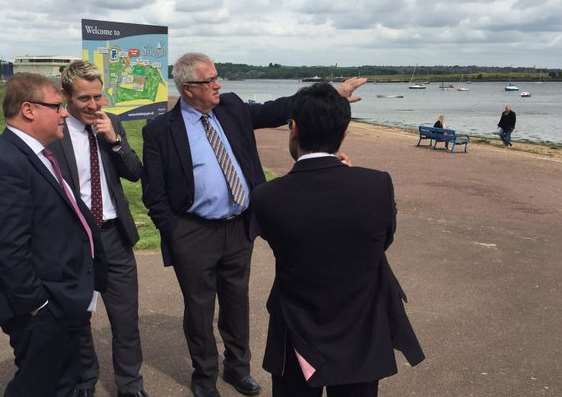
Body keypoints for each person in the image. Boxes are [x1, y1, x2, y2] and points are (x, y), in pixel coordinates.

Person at [142, 52, 366, 397]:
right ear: (188, 89)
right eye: (210, 80)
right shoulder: (160, 130)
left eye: (217, 77)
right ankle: (204, 377)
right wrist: (174, 231)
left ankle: (237, 369)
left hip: (239, 227)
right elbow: (153, 192)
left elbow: (279, 108)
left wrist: (333, 96)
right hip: (193, 231)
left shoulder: (230, 107)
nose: (218, 85)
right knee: (199, 309)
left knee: (236, 302)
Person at [251, 82, 425, 397]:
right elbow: (381, 241)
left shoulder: (266, 197)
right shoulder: (376, 186)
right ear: (344, 132)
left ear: (294, 128)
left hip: (296, 327)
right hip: (360, 325)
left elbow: (278, 238)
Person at [0, 72, 106, 397]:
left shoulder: (35, 153)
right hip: (44, 308)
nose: (64, 113)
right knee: (39, 386)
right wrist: (38, 306)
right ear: (29, 110)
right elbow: (8, 248)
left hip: (64, 297)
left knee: (63, 379)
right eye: (57, 106)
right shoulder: (5, 164)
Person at [47, 61, 147, 397]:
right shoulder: (55, 132)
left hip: (115, 235)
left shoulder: (111, 123)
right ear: (66, 97)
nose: (93, 105)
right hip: (76, 239)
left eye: (98, 97)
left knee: (125, 319)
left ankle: (130, 384)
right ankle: (85, 379)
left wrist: (115, 140)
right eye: (84, 99)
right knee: (78, 317)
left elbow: (134, 172)